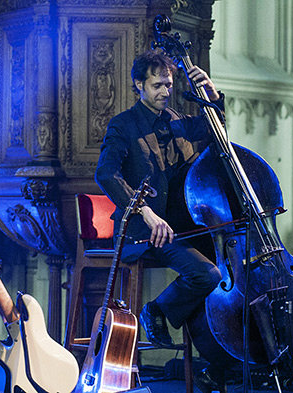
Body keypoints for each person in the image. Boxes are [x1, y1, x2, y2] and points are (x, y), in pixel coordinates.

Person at [95, 50, 226, 392]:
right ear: (138, 85)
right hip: (142, 230)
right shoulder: (123, 125)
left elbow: (217, 131)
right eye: (156, 85)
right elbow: (105, 174)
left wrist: (211, 94)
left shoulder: (179, 119)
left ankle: (218, 363)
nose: (165, 91)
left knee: (222, 277)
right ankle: (155, 310)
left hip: (181, 228)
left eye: (168, 84)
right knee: (208, 274)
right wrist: (145, 211)